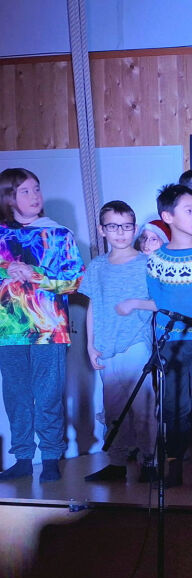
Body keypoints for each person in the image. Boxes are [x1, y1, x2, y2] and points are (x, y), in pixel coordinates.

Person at [118, 183, 192, 489]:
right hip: (170, 344)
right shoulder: (157, 260)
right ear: (168, 216)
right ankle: (174, 464)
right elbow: (158, 302)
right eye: (188, 210)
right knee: (173, 406)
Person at [0, 168, 84, 482]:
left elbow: (75, 281)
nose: (35, 196)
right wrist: (9, 268)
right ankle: (22, 457)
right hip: (9, 330)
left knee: (48, 394)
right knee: (16, 395)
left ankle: (50, 457)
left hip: (49, 329)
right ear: (9, 197)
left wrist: (35, 275)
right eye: (25, 191)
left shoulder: (58, 234)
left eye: (37, 189)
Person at [80, 200, 156, 483]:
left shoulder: (146, 264)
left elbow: (160, 302)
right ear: (102, 230)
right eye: (114, 227)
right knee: (113, 408)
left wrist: (135, 303)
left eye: (126, 227)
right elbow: (93, 306)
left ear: (134, 228)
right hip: (107, 344)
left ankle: (150, 460)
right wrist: (90, 344)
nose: (121, 233)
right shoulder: (98, 266)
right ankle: (117, 461)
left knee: (143, 405)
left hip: (136, 342)